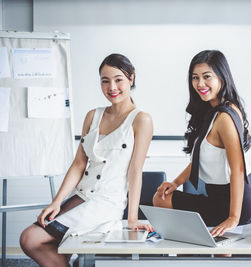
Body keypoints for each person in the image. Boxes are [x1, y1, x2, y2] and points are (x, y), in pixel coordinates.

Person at [19, 53, 154, 266]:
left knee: (30, 238)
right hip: (80, 195)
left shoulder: (141, 119)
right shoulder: (93, 115)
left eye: (118, 79)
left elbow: (136, 171)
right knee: (43, 243)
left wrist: (132, 219)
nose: (112, 87)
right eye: (105, 81)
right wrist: (55, 202)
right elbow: (79, 163)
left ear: (131, 78)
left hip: (106, 203)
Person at [153, 50, 251, 237]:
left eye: (207, 77)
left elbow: (238, 169)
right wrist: (175, 183)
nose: (200, 84)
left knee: (161, 202)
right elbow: (201, 159)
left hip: (232, 201)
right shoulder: (212, 112)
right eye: (195, 78)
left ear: (222, 77)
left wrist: (233, 217)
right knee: (161, 197)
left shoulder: (225, 117)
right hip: (214, 196)